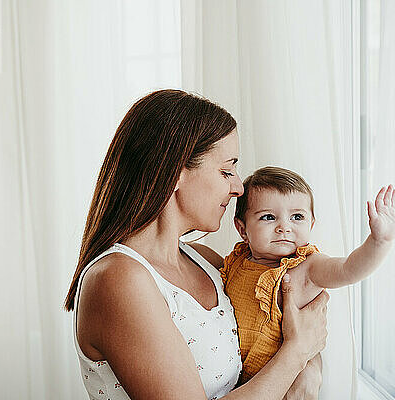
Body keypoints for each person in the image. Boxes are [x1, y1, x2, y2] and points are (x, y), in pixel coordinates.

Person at [64, 90, 329, 400]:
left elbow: (287, 336)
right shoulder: (118, 280)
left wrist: (310, 365)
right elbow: (297, 347)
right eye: (226, 170)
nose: (238, 187)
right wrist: (298, 353)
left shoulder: (208, 262)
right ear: (175, 173)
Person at [221, 166, 395, 385]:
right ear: (242, 230)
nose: (284, 227)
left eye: (297, 217)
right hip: (238, 384)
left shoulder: (308, 266)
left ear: (311, 224)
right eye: (269, 217)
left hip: (285, 384)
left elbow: (348, 269)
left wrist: (378, 242)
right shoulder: (236, 262)